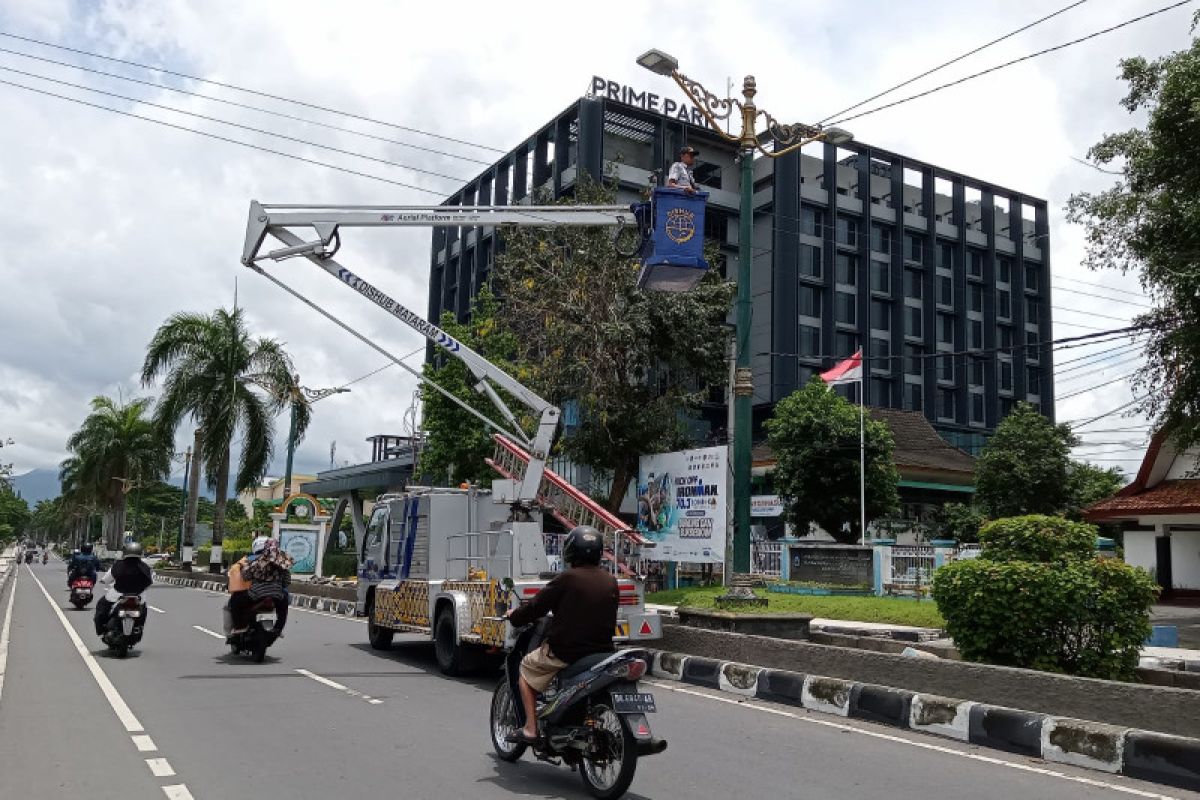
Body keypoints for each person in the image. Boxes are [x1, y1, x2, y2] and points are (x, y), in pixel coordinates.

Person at [505, 525, 618, 744]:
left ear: (570, 551)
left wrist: (515, 615)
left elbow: (535, 608)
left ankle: (530, 728)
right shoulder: (610, 580)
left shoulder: (567, 579)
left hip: (566, 652)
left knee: (526, 669)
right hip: (602, 652)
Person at [94, 542, 153, 636]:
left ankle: (101, 629)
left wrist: (103, 581)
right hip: (138, 597)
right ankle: (139, 627)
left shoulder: (118, 565)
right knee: (143, 610)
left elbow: (107, 579)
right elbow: (149, 582)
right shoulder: (145, 567)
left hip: (117, 595)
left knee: (101, 606)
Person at [241, 537, 292, 635]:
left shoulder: (254, 561)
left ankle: (242, 626)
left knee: (240, 603)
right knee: (283, 608)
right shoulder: (281, 563)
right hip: (277, 595)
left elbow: (246, 576)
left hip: (256, 595)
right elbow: (286, 581)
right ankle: (278, 628)